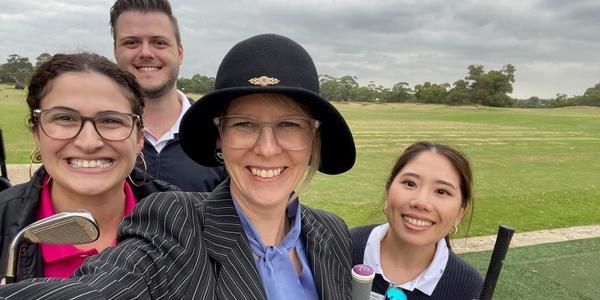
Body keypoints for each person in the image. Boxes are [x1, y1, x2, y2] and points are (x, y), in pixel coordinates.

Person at [0, 34, 356, 299]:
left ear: (313, 141)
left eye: (289, 125)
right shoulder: (175, 222)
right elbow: (103, 288)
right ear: (219, 137)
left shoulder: (331, 232)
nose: (266, 149)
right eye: (244, 124)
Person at [0, 53, 178, 282]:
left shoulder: (187, 222)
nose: (89, 143)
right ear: (36, 133)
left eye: (111, 120)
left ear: (139, 138)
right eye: (65, 118)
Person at [109, 0, 227, 191]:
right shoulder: (96, 135)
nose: (146, 52)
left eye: (159, 43)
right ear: (116, 52)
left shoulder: (219, 133)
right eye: (132, 42)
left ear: (180, 53)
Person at [351, 141, 483, 299]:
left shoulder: (467, 286)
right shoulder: (337, 249)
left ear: (460, 212)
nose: (421, 202)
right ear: (388, 192)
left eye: (441, 191)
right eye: (410, 183)